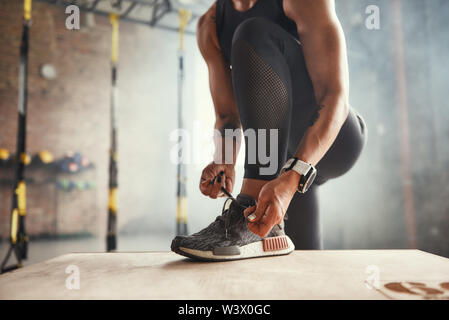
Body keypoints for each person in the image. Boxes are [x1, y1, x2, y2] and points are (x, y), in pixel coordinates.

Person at [171, 0, 367, 261]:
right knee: (302, 265)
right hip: (280, 158)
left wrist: (295, 173)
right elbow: (227, 115)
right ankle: (269, 228)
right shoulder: (210, 25)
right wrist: (224, 159)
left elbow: (334, 97)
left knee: (252, 33)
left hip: (334, 140)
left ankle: (248, 203)